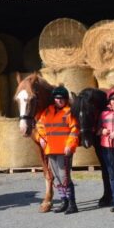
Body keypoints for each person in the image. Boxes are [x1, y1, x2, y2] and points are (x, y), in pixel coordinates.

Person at [36, 86, 80, 214]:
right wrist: (41, 138)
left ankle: (72, 204)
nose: (59, 100)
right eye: (56, 98)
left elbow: (74, 131)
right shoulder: (47, 112)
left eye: (61, 98)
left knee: (65, 177)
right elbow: (39, 126)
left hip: (64, 150)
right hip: (51, 149)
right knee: (57, 177)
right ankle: (64, 201)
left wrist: (69, 146)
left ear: (66, 100)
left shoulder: (69, 112)